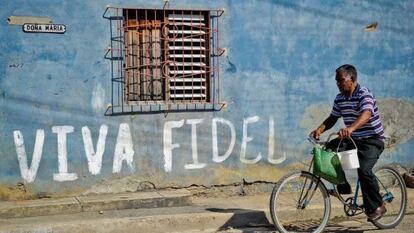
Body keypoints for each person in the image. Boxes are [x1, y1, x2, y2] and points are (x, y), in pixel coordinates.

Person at [311, 64, 386, 222]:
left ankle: (378, 206)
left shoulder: (364, 94)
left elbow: (366, 114)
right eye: (336, 81)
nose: (338, 83)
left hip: (372, 140)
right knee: (330, 149)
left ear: (352, 79)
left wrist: (351, 128)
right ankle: (343, 185)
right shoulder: (340, 98)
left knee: (364, 171)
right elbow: (333, 118)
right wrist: (319, 129)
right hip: (354, 139)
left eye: (341, 80)